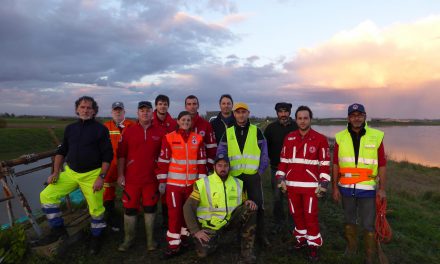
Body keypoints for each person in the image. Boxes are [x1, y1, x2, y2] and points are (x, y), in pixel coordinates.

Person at [39, 96, 113, 255]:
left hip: (92, 174)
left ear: (94, 111)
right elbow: (61, 152)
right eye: (82, 107)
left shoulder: (100, 129)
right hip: (70, 173)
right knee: (46, 195)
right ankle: (58, 230)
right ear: (77, 109)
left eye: (89, 108)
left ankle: (96, 237)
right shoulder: (70, 128)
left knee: (96, 209)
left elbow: (108, 156)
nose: (85, 110)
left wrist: (101, 177)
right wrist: (55, 172)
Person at [332, 103, 386, 264]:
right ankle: (351, 248)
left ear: (365, 116)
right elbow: (336, 164)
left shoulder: (376, 136)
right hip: (346, 188)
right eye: (353, 115)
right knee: (349, 220)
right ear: (348, 118)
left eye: (359, 115)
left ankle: (369, 255)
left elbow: (382, 164)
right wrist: (334, 187)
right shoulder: (340, 137)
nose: (356, 118)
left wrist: (382, 189)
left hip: (368, 190)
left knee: (369, 224)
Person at [276, 106, 330, 262]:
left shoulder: (320, 139)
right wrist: (280, 178)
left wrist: (324, 182)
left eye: (305, 118)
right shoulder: (289, 137)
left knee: (310, 216)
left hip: (310, 187)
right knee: (296, 215)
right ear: (296, 119)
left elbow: (325, 163)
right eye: (300, 118)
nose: (302, 121)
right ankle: (301, 240)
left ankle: (313, 245)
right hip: (292, 186)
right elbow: (284, 161)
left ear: (310, 119)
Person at [183, 154, 258, 264]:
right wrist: (195, 231)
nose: (223, 168)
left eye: (225, 165)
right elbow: (187, 207)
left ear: (229, 167)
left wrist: (247, 201)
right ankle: (216, 239)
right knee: (202, 254)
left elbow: (243, 201)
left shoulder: (238, 183)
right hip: (210, 226)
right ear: (214, 167)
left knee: (251, 208)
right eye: (219, 165)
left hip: (230, 222)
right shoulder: (203, 184)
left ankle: (247, 252)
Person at [216, 102, 270, 247]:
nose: (241, 114)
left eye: (243, 112)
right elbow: (221, 152)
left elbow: (264, 152)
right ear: (234, 114)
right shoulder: (228, 132)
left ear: (248, 113)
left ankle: (260, 236)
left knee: (258, 205)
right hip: (235, 176)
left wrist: (260, 170)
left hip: (252, 175)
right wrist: (224, 169)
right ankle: (239, 235)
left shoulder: (256, 130)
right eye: (238, 112)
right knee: (237, 206)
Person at [155, 111, 207, 258]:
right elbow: (163, 161)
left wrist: (201, 183)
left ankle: (183, 240)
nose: (186, 122)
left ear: (191, 122)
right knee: (174, 215)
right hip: (173, 186)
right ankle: (173, 246)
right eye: (183, 119)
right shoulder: (169, 138)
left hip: (191, 185)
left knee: (187, 214)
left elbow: (202, 162)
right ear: (177, 121)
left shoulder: (198, 138)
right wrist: (162, 181)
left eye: (188, 120)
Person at [117, 101, 166, 252]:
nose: (145, 113)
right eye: (142, 111)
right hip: (132, 180)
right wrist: (120, 175)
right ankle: (128, 239)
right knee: (130, 210)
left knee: (150, 209)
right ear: (137, 113)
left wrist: (162, 179)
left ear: (153, 113)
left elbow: (164, 157)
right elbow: (121, 155)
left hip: (151, 180)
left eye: (148, 110)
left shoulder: (160, 132)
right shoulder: (129, 131)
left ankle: (150, 241)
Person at [263, 102, 298, 233]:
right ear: (277, 113)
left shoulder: (296, 127)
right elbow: (264, 148)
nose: (283, 114)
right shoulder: (270, 128)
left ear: (290, 112)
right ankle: (278, 222)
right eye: (280, 111)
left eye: (286, 111)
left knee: (292, 197)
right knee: (277, 197)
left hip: (294, 169)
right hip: (276, 168)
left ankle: (293, 223)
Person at [103, 101, 135, 232]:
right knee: (108, 193)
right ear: (111, 112)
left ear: (124, 112)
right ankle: (112, 219)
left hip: (127, 166)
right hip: (110, 166)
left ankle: (131, 217)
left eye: (120, 110)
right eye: (115, 110)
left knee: (130, 191)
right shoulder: (105, 127)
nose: (117, 112)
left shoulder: (132, 126)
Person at [152, 94, 177, 228]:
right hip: (151, 161)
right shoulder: (149, 120)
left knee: (166, 192)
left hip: (168, 162)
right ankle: (150, 219)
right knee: (151, 191)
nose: (163, 106)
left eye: (165, 104)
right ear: (156, 105)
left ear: (168, 106)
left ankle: (166, 220)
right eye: (160, 104)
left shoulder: (173, 123)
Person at [185, 95, 217, 170]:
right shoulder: (180, 125)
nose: (192, 106)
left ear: (198, 106)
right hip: (183, 169)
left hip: (201, 168)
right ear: (185, 107)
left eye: (194, 104)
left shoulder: (206, 125)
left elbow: (212, 148)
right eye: (189, 104)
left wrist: (207, 166)